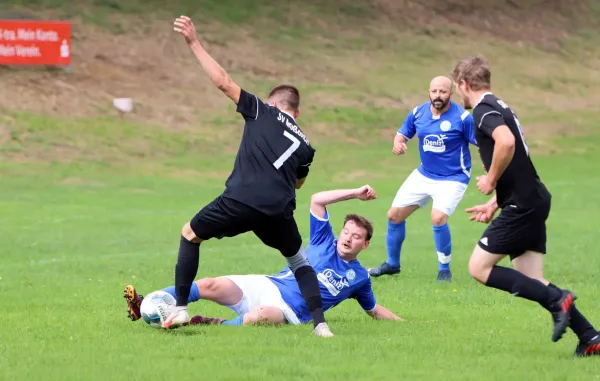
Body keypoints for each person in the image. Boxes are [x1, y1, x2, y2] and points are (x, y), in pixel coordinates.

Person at [164, 15, 332, 337]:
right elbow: (298, 183)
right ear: (296, 112)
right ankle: (321, 326)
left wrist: (194, 42)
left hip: (242, 199)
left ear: (273, 103)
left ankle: (182, 308)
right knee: (299, 262)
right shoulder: (307, 147)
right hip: (278, 210)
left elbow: (223, 81)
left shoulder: (260, 110)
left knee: (190, 234)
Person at [451, 55, 599, 357]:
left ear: (464, 84)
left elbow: (506, 144)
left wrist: (490, 181)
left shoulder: (482, 111)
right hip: (530, 198)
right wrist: (495, 202)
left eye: (457, 89)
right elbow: (518, 162)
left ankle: (558, 299)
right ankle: (591, 337)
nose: (458, 96)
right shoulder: (502, 106)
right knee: (532, 278)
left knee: (479, 268)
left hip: (523, 204)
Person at [124, 185, 403, 328]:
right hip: (267, 285)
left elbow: (374, 310)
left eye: (356, 237)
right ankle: (147, 302)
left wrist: (406, 325)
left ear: (365, 245)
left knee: (258, 317)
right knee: (209, 284)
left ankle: (210, 324)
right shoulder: (323, 239)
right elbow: (318, 199)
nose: (347, 238)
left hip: (289, 312)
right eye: (346, 232)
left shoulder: (359, 278)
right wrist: (355, 193)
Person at [369, 76, 476, 282]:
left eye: (443, 92)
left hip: (453, 177)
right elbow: (401, 135)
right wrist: (398, 143)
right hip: (424, 174)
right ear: (429, 91)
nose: (438, 96)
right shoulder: (418, 113)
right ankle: (392, 264)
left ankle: (444, 269)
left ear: (450, 94)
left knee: (437, 217)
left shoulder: (463, 119)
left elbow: (483, 143)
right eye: (434, 91)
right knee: (393, 215)